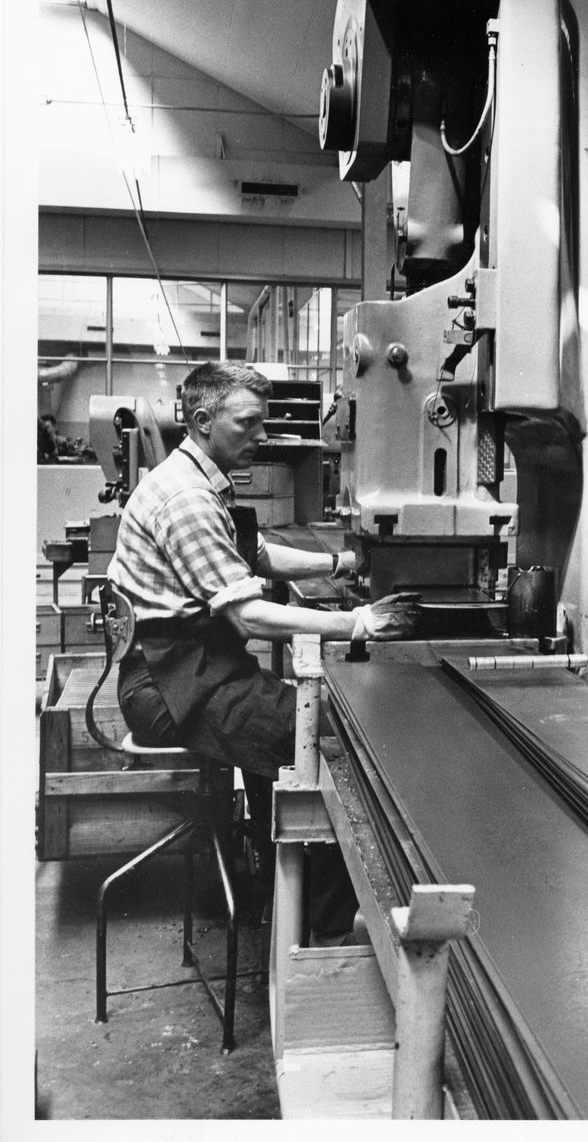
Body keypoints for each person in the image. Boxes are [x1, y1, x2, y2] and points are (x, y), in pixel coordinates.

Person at [106, 360, 420, 943]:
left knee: (288, 727)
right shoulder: (187, 499)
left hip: (196, 668)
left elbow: (255, 556)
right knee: (329, 739)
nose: (262, 435)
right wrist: (358, 622)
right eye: (248, 423)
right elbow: (247, 614)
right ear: (203, 420)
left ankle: (274, 885)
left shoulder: (198, 478)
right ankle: (326, 934)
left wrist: (343, 562)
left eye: (262, 421)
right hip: (172, 685)